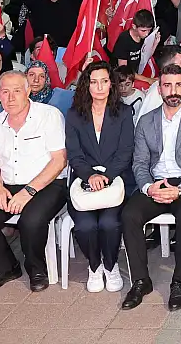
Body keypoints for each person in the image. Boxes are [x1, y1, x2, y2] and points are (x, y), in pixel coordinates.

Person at [0, 71, 68, 292]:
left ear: (28, 91)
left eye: (16, 91)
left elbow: (59, 161)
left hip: (47, 183)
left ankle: (36, 268)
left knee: (31, 220)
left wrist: (28, 191)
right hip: (8, 184)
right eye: (5, 92)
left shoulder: (49, 115)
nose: (10, 98)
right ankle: (6, 267)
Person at [120, 64, 181, 311]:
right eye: (167, 85)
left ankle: (179, 281)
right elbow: (139, 163)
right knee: (129, 214)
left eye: (178, 85)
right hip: (156, 181)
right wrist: (149, 187)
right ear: (159, 89)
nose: (173, 91)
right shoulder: (146, 121)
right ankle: (141, 281)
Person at [65, 61, 135, 293]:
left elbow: (125, 151)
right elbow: (74, 154)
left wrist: (107, 176)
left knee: (109, 223)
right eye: (94, 82)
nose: (99, 87)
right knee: (85, 226)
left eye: (104, 81)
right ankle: (94, 266)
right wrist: (90, 175)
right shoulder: (74, 115)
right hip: (83, 180)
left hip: (116, 179)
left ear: (111, 84)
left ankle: (111, 265)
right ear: (86, 85)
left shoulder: (123, 112)